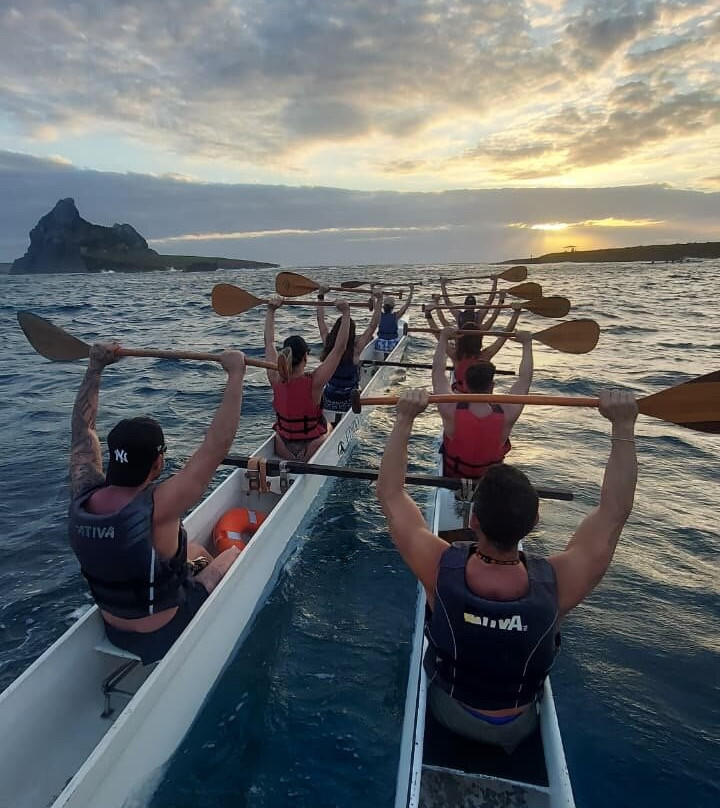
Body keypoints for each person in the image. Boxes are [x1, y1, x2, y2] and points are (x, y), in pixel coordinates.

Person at [377, 387, 638, 752]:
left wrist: (404, 418)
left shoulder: (439, 567)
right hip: (517, 727)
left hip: (448, 710)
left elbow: (391, 495)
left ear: (473, 519)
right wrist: (623, 427)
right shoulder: (559, 583)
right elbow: (614, 512)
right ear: (534, 521)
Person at [67, 343, 247, 664]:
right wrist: (235, 374)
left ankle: (192, 573)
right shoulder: (160, 505)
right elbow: (216, 446)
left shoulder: (83, 491)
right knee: (233, 556)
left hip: (114, 629)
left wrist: (95, 368)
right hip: (164, 633)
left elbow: (83, 429)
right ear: (158, 463)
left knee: (189, 548)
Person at [432, 327, 534, 478]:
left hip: (451, 479)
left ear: (465, 385)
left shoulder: (449, 407)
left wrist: (443, 338)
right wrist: (527, 343)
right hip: (487, 484)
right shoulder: (508, 412)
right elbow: (525, 379)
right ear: (491, 387)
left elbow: (437, 372)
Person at [265, 295, 351, 459]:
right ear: (305, 357)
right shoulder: (315, 382)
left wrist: (271, 310)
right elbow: (339, 348)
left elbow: (268, 343)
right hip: (311, 449)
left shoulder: (274, 376)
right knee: (328, 425)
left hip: (282, 447)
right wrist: (346, 313)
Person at [316, 287, 383, 423]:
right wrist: (380, 299)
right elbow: (372, 326)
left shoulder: (328, 345)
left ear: (335, 330)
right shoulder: (356, 349)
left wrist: (321, 296)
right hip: (349, 402)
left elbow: (320, 321)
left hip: (329, 400)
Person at [375, 284, 414, 353]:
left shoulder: (379, 315)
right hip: (392, 344)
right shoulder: (396, 316)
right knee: (394, 342)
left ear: (383, 307)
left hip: (380, 343)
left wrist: (372, 287)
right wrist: (411, 291)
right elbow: (406, 305)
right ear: (393, 307)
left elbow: (375, 303)